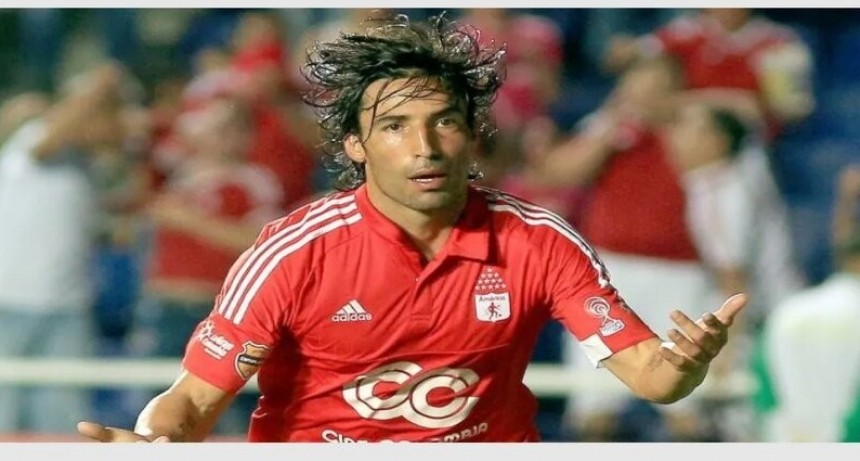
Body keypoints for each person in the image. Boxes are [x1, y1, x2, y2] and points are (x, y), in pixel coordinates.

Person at [76, 12, 747, 443]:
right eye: (395, 126)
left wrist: (681, 368)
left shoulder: (537, 239)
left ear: (471, 136)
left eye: (443, 122)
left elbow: (652, 378)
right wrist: (154, 441)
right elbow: (193, 398)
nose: (424, 147)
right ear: (355, 145)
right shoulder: (294, 250)